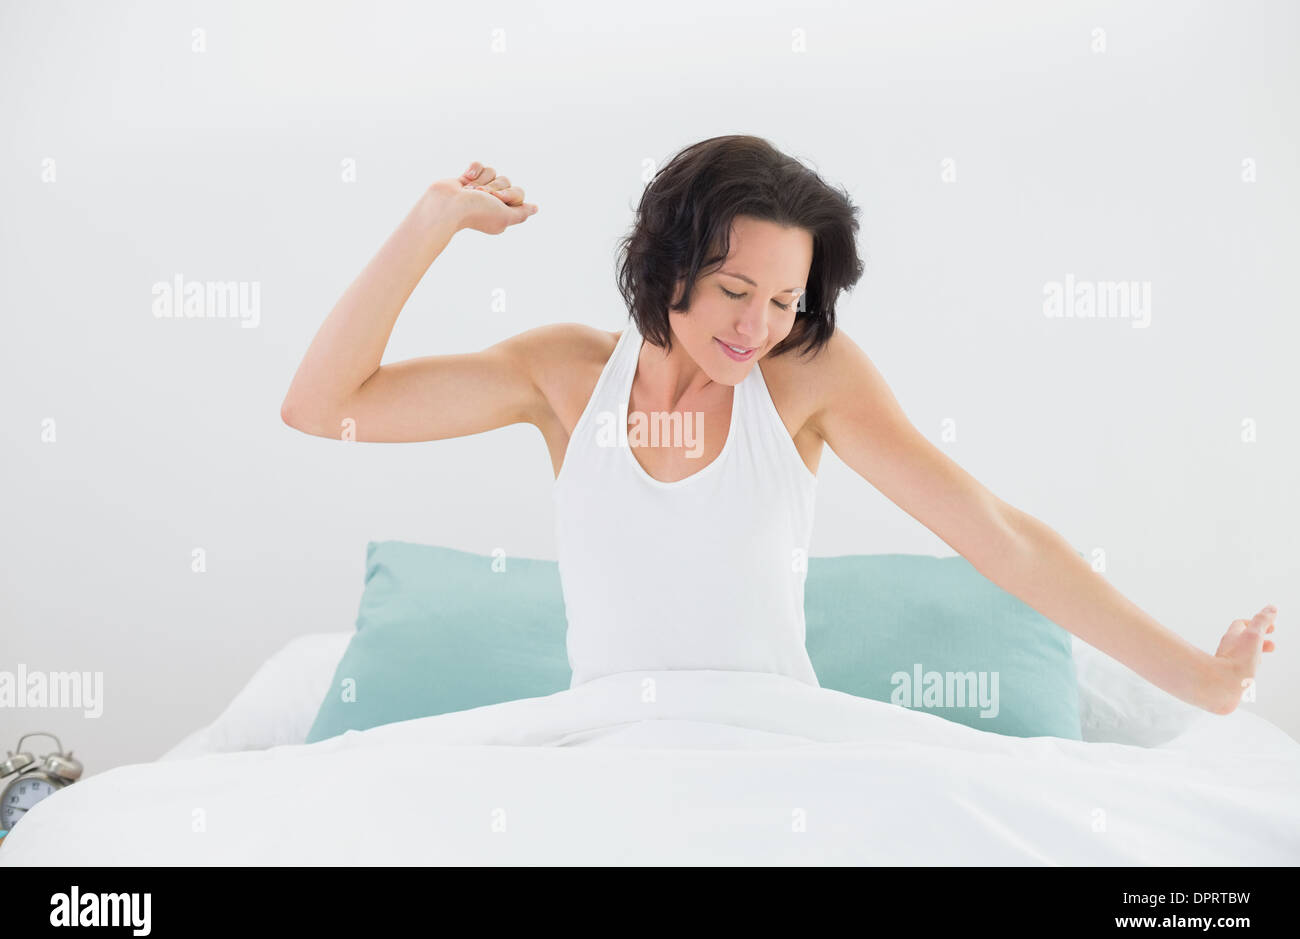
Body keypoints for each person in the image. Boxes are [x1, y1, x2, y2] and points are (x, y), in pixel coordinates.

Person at [281, 134, 1277, 712]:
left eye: (785, 299)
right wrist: (432, 222)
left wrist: (1202, 676)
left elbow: (999, 538)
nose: (756, 324)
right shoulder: (562, 375)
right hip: (603, 751)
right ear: (663, 264)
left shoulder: (806, 378)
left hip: (773, 743)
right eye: (732, 287)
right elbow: (324, 408)